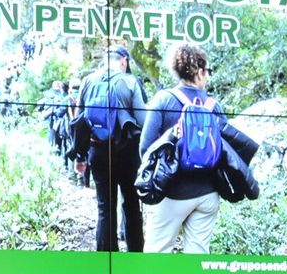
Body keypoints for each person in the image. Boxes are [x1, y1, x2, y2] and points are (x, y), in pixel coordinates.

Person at [138, 42, 252, 254]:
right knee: (198, 257)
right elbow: (224, 151)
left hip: (170, 195)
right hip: (207, 196)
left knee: (157, 255)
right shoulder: (213, 105)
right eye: (207, 71)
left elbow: (145, 149)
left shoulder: (163, 100)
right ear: (199, 72)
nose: (207, 76)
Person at [80, 45, 147, 251]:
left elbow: (79, 122)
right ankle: (135, 256)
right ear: (124, 61)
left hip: (98, 151)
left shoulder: (88, 81)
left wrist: (80, 157)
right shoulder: (130, 81)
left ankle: (105, 258)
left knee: (104, 207)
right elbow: (143, 120)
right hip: (127, 152)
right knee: (131, 204)